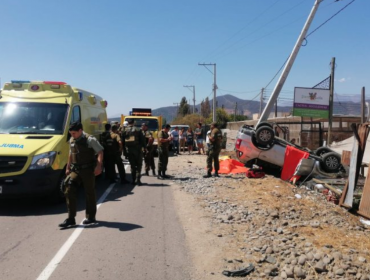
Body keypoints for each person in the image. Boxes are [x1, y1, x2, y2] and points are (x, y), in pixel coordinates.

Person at [59, 121, 104, 228]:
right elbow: (71, 152)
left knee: (89, 192)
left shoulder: (90, 139)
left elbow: (100, 151)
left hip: (88, 169)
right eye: (71, 133)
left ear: (80, 130)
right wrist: (68, 166)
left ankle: (90, 216)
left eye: (74, 133)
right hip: (76, 169)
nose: (72, 135)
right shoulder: (72, 139)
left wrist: (98, 166)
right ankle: (71, 218)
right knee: (69, 188)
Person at [122, 119, 146, 185]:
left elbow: (122, 142)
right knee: (139, 165)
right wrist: (145, 147)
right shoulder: (138, 130)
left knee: (132, 166)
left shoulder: (124, 130)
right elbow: (142, 140)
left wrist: (124, 151)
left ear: (128, 123)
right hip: (138, 150)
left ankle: (133, 180)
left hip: (129, 150)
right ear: (133, 122)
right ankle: (137, 180)